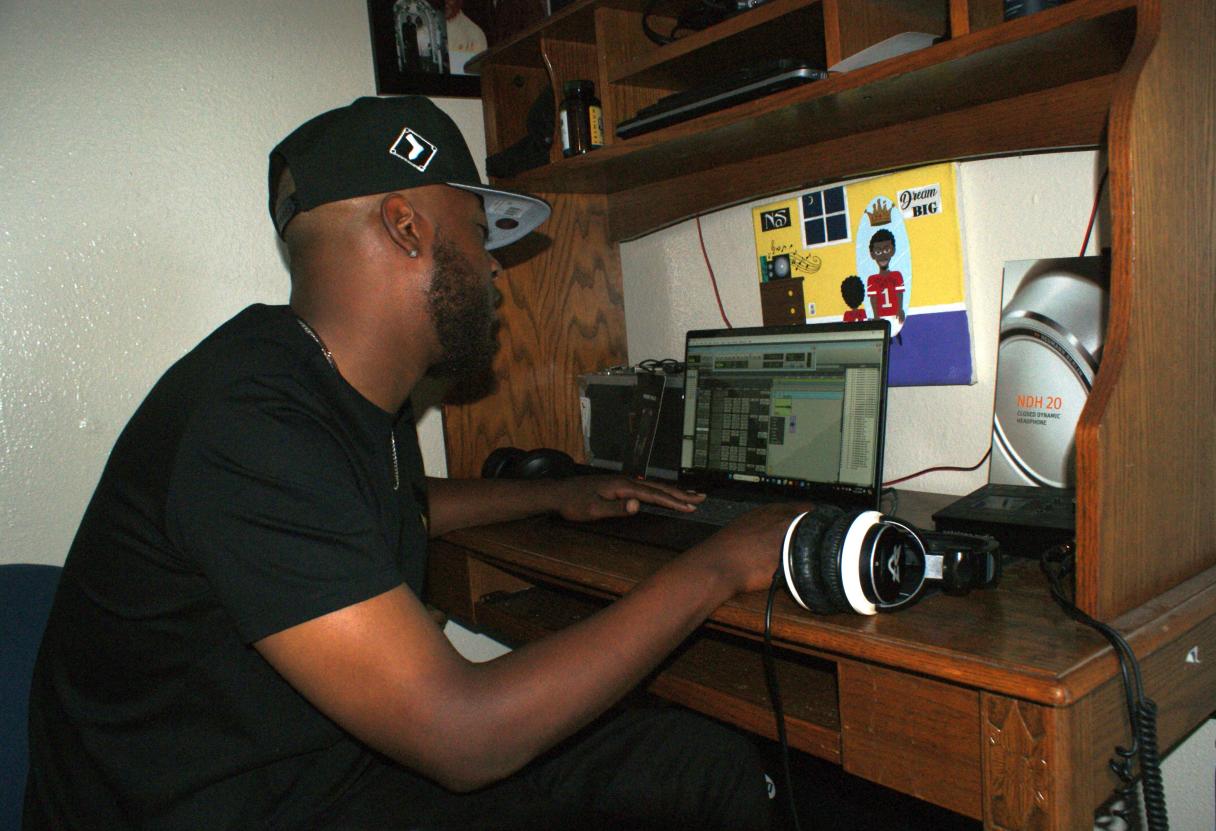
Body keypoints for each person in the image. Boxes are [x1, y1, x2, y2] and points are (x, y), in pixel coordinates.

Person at [24, 95, 802, 830]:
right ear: (405, 227)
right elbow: (467, 739)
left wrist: (558, 494)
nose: (497, 270)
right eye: (477, 229)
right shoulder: (246, 423)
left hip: (315, 783)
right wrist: (720, 563)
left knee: (691, 766)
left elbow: (388, 503)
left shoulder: (333, 389)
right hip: (227, 814)